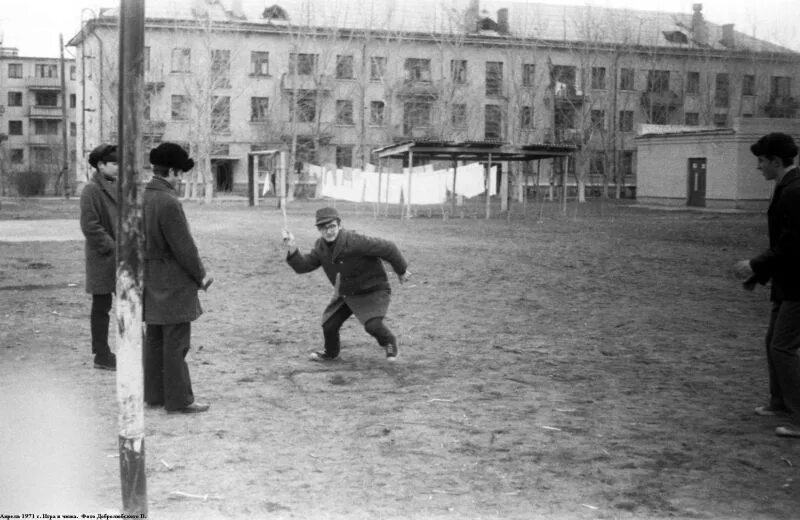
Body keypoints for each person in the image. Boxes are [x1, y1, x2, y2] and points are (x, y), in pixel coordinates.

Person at [733, 132, 800, 439]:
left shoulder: (794, 191)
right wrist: (758, 276)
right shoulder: (786, 187)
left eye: (761, 161)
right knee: (773, 340)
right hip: (787, 283)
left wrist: (755, 265)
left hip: (798, 285)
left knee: (782, 346)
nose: (758, 166)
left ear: (775, 161)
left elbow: (791, 246)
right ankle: (780, 402)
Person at [282, 207, 410, 362]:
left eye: (332, 226)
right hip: (348, 293)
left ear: (339, 225)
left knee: (373, 325)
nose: (329, 231)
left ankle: (389, 342)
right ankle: (330, 353)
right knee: (329, 325)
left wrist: (401, 271)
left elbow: (389, 248)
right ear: (319, 229)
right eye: (324, 228)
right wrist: (292, 246)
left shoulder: (355, 240)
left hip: (373, 289)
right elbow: (303, 266)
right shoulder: (320, 247)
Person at [143, 142, 213, 414]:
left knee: (155, 340)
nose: (180, 178)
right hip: (173, 282)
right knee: (176, 344)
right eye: (179, 173)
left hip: (151, 279)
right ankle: (180, 400)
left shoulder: (144, 197)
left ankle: (155, 395)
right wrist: (202, 275)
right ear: (170, 171)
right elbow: (183, 246)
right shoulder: (168, 201)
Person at [79, 144, 119, 371]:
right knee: (102, 306)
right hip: (103, 258)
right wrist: (112, 247)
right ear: (100, 165)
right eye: (113, 163)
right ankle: (101, 354)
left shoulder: (120, 187)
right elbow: (90, 226)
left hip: (122, 257)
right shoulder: (91, 190)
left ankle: (133, 346)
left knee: (130, 304)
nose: (117, 167)